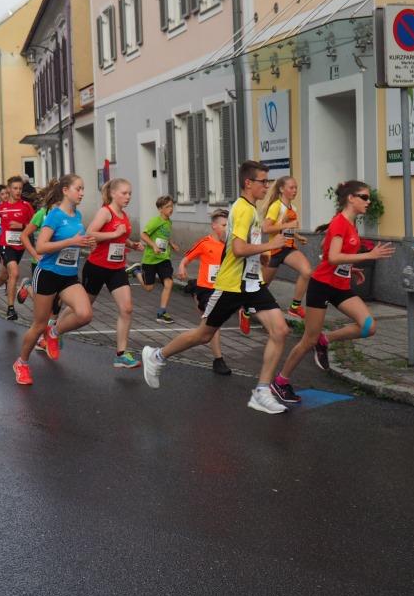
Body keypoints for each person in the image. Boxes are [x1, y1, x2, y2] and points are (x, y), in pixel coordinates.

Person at [141, 161, 290, 414]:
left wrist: (261, 256)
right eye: (263, 181)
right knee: (204, 335)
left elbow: (241, 246)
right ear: (248, 183)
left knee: (281, 330)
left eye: (268, 181)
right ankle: (156, 356)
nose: (268, 186)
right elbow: (238, 249)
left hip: (251, 283)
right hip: (231, 285)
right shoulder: (242, 209)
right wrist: (270, 246)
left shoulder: (252, 209)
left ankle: (262, 391)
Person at [268, 181, 396, 404]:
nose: (368, 201)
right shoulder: (340, 223)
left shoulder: (351, 224)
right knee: (308, 339)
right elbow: (333, 257)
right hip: (322, 286)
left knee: (368, 326)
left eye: (368, 198)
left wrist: (351, 269)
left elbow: (333, 256)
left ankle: (325, 340)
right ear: (351, 198)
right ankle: (280, 382)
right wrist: (368, 256)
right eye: (364, 197)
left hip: (340, 286)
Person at [13, 175, 96, 385]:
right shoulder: (54, 215)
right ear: (65, 190)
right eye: (78, 189)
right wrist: (71, 241)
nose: (82, 193)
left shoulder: (78, 215)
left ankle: (55, 331)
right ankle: (22, 363)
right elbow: (41, 246)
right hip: (48, 274)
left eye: (83, 189)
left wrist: (88, 243)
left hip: (68, 276)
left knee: (85, 314)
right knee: (38, 324)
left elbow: (76, 243)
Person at [82, 178, 144, 369]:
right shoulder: (105, 212)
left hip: (117, 268)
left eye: (130, 193)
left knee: (127, 308)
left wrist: (131, 244)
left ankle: (121, 354)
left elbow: (121, 236)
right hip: (97, 267)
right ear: (113, 194)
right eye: (124, 193)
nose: (128, 197)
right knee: (82, 308)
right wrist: (114, 235)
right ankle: (54, 327)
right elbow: (90, 233)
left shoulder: (123, 215)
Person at [176, 209, 233, 375]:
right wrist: (182, 267)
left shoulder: (231, 245)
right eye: (224, 225)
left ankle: (173, 348)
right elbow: (186, 258)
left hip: (223, 288)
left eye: (229, 225)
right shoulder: (204, 243)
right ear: (214, 226)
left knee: (206, 331)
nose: (227, 229)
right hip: (206, 290)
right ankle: (218, 360)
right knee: (213, 323)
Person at [261, 176, 312, 319]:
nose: (295, 191)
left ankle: (295, 307)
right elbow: (266, 228)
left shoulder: (293, 208)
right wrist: (288, 225)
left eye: (296, 188)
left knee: (307, 271)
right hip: (274, 250)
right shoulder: (276, 206)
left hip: (288, 248)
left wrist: (297, 236)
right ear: (282, 189)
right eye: (291, 188)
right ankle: (245, 307)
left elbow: (285, 228)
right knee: (261, 287)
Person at [0, 177, 35, 321]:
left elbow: (34, 226)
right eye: (15, 188)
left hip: (19, 245)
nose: (18, 191)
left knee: (5, 275)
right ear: (9, 189)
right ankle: (11, 309)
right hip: (5, 244)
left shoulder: (26, 206)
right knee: (14, 272)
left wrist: (21, 226)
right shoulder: (1, 207)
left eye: (20, 188)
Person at [131, 195, 180, 323]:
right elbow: (143, 235)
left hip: (164, 258)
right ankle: (136, 271)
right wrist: (153, 245)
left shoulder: (169, 222)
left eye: (171, 206)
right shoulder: (155, 221)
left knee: (169, 283)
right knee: (149, 288)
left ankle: (162, 312)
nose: (171, 209)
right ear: (160, 209)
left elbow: (166, 235)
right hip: (150, 259)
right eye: (167, 207)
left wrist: (172, 244)